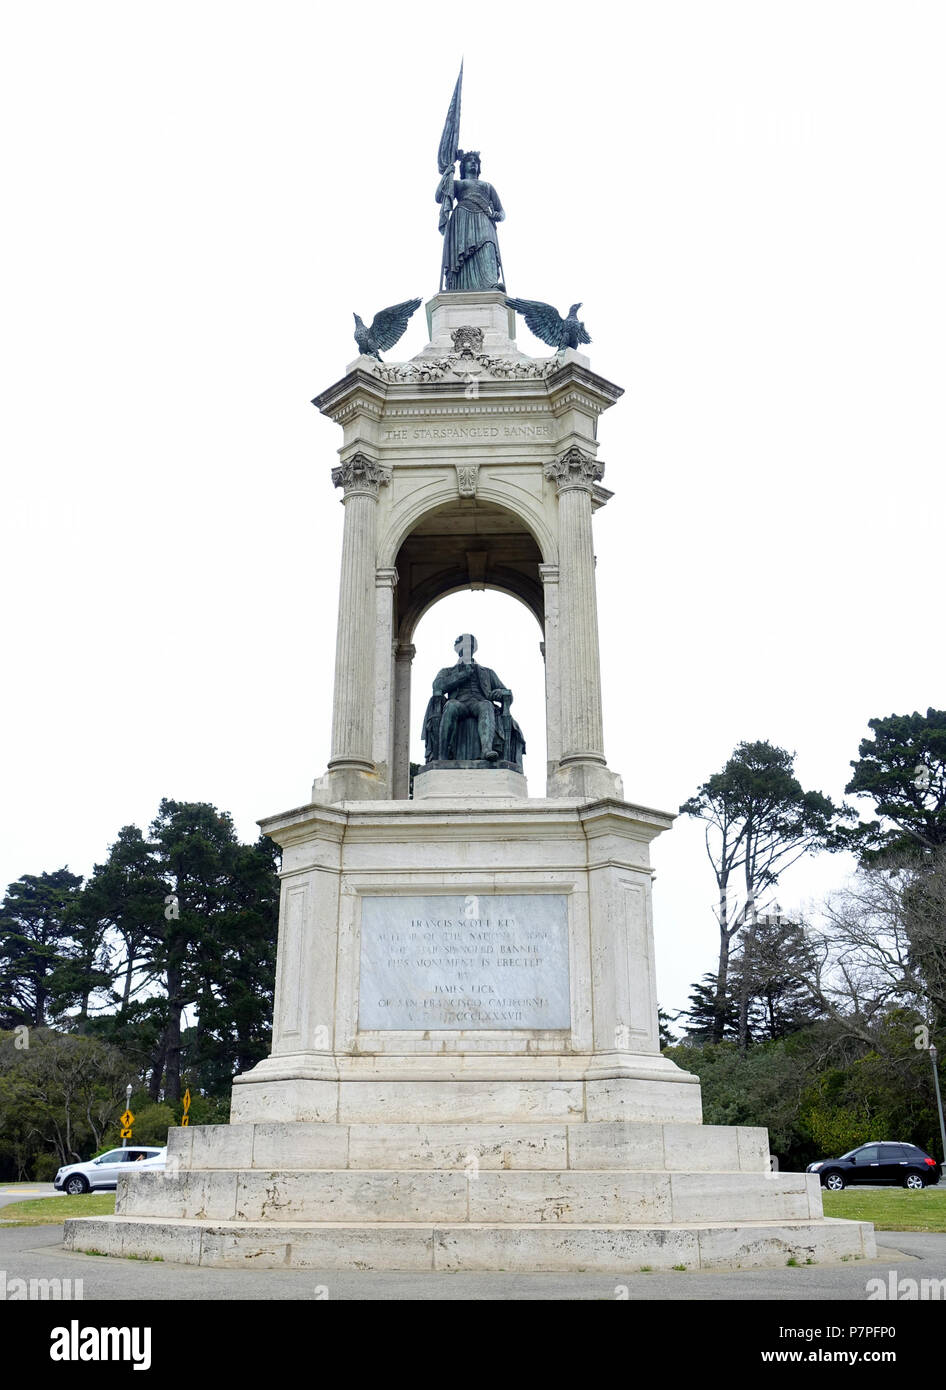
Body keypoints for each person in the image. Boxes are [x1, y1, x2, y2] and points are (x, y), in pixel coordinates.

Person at [423, 634, 513, 763]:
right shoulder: (448, 671)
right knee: (451, 706)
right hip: (459, 703)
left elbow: (507, 693)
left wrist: (500, 692)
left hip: (479, 702)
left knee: (487, 705)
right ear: (458, 649)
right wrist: (463, 675)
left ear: (473, 649)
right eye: (464, 647)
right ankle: (442, 755)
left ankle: (486, 750)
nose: (466, 650)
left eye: (469, 647)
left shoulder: (487, 672)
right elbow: (437, 686)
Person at [439, 152, 505, 292]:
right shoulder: (458, 184)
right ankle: (457, 285)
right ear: (463, 166)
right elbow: (439, 196)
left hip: (484, 218)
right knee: (462, 252)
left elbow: (502, 212)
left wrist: (497, 215)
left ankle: (490, 282)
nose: (473, 162)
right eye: (469, 160)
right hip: (462, 219)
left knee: (488, 246)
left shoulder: (487, 186)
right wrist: (447, 174)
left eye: (476, 161)